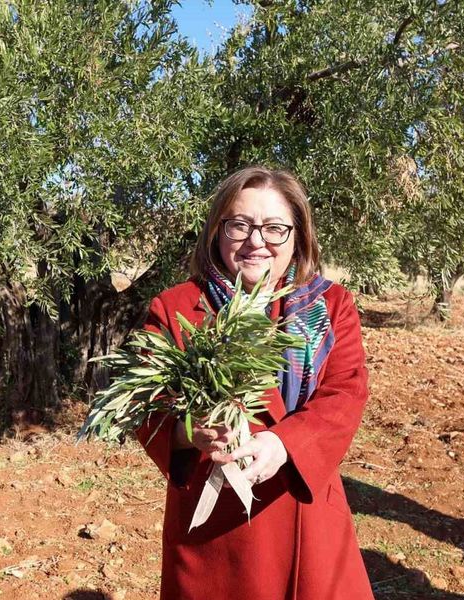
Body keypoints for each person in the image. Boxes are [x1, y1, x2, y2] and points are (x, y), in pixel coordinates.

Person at [135, 165, 374, 599]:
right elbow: (143, 403)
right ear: (216, 233)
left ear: (298, 236)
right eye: (239, 225)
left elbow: (346, 391)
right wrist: (192, 432)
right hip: (216, 534)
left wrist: (285, 444)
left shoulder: (330, 306)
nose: (256, 241)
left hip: (306, 505)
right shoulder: (176, 307)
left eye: (275, 228)